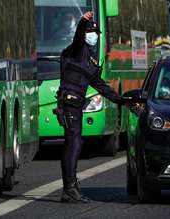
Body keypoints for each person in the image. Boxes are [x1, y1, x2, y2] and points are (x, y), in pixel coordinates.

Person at [54, 11, 124, 204]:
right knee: (73, 143)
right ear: (85, 33)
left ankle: (71, 187)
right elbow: (78, 37)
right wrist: (82, 21)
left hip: (76, 105)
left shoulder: (91, 59)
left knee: (75, 143)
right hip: (68, 102)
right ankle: (69, 188)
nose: (95, 35)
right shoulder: (76, 51)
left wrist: (122, 100)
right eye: (91, 32)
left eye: (97, 33)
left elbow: (100, 85)